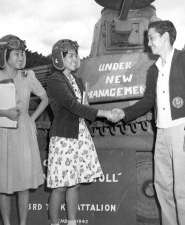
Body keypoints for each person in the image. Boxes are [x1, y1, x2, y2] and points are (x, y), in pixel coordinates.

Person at [112, 20, 185, 225]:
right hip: (161, 133)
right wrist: (124, 113)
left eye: (151, 37)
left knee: (184, 188)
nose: (148, 43)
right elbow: (148, 101)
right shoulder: (153, 70)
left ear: (165, 37)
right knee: (162, 187)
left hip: (181, 129)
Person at [0, 34, 48, 225]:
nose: (21, 57)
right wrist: (4, 113)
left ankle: (22, 223)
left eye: (23, 53)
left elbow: (45, 98)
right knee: (3, 183)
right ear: (3, 55)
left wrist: (31, 119)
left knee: (23, 183)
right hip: (3, 130)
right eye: (16, 54)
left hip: (23, 132)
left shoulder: (28, 76)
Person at [46, 39, 117, 225]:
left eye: (76, 54)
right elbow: (72, 106)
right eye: (70, 55)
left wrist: (95, 112)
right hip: (63, 137)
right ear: (58, 58)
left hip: (80, 135)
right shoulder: (54, 79)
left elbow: (84, 105)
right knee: (60, 186)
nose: (75, 58)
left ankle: (72, 223)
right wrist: (105, 114)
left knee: (75, 184)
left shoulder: (77, 80)